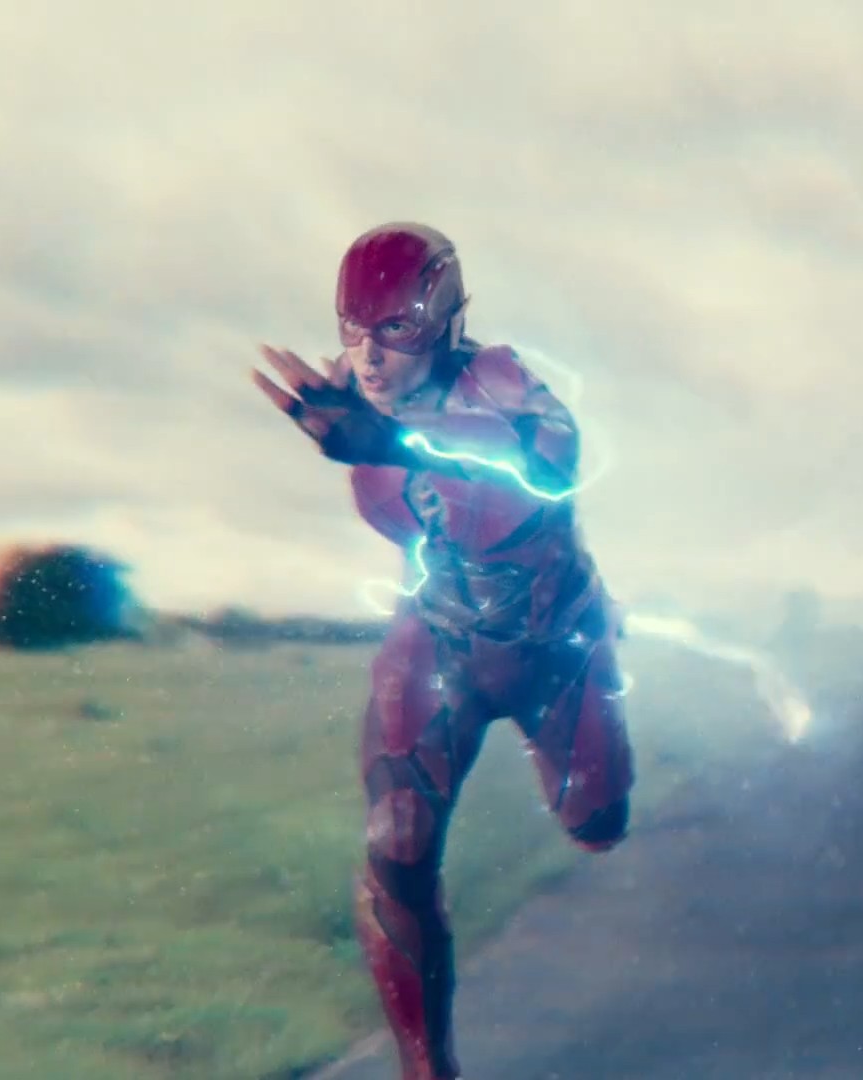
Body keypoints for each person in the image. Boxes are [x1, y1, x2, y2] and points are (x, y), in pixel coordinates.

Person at [252, 222, 633, 1080]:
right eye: (355, 330)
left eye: (397, 330)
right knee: (395, 846)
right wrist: (367, 429)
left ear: (447, 323)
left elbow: (551, 459)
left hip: (555, 648)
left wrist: (395, 441)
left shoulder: (495, 377)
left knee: (598, 823)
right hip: (439, 642)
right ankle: (427, 1069)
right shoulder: (349, 398)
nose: (371, 356)